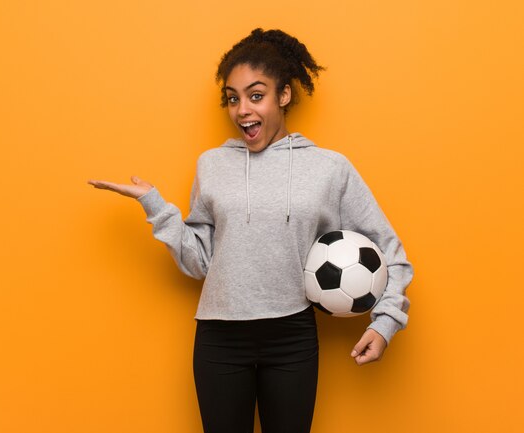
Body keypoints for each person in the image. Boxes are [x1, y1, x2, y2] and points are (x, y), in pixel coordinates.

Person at [88, 28, 413, 433]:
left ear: (284, 96)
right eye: (232, 97)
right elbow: (200, 262)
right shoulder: (212, 165)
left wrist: (385, 323)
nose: (242, 108)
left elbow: (389, 251)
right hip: (220, 339)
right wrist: (156, 205)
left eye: (256, 95)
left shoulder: (329, 168)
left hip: (292, 337)